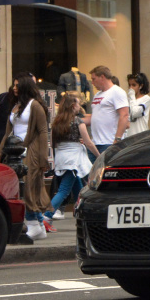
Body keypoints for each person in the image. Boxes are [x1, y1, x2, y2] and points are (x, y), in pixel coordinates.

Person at [0, 74, 51, 235]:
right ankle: (38, 225)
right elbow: (7, 134)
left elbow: (43, 132)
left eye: (17, 85)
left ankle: (34, 224)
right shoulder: (16, 106)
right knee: (20, 188)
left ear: (25, 87)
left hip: (30, 152)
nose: (14, 87)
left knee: (28, 187)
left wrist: (43, 158)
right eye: (14, 85)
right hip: (14, 154)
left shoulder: (35, 106)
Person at [45, 93, 98, 222]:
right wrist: (99, 155)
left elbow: (53, 144)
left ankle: (86, 215)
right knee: (63, 190)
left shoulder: (56, 122)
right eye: (78, 104)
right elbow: (88, 142)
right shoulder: (78, 121)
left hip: (61, 158)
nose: (79, 106)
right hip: (74, 159)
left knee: (79, 190)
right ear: (73, 106)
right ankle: (46, 216)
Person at [84, 65, 129, 158]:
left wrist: (117, 139)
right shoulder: (97, 94)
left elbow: (124, 115)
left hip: (109, 142)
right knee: (92, 171)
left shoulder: (117, 92)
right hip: (95, 142)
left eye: (94, 79)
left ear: (102, 77)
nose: (92, 82)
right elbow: (96, 116)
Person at [125, 73, 150, 138]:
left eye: (134, 85)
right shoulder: (128, 100)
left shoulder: (146, 99)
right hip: (129, 136)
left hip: (140, 134)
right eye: (129, 85)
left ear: (140, 86)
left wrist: (131, 95)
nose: (131, 88)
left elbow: (134, 112)